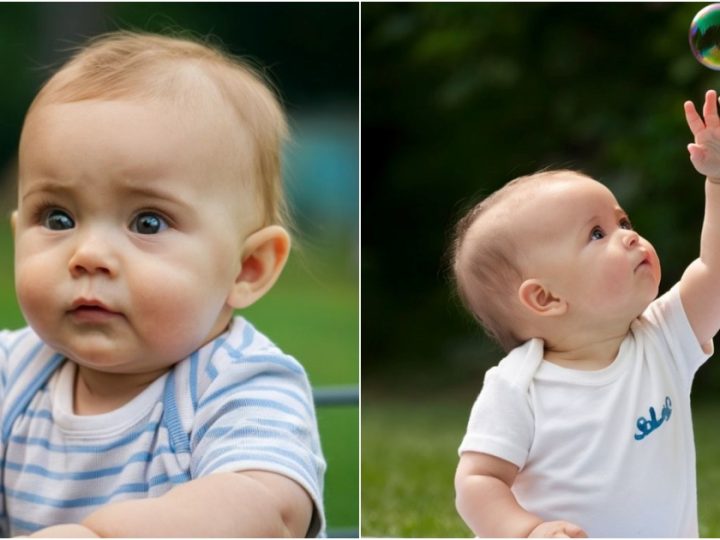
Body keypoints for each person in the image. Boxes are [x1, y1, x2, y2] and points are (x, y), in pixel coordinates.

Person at [0, 30, 325, 537]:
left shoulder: (237, 383)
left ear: (248, 269)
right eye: (58, 218)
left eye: (147, 222)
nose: (88, 255)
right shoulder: (13, 372)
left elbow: (268, 508)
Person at [450, 89, 720, 537]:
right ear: (545, 299)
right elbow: (477, 481)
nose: (628, 236)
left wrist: (716, 182)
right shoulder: (519, 387)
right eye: (597, 234)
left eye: (623, 222)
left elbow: (713, 271)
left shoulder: (663, 338)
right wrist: (527, 530)